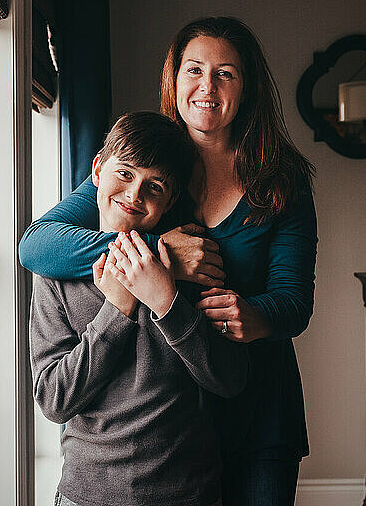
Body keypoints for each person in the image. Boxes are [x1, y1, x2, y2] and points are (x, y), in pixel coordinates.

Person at [20, 17, 317, 506]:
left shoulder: (280, 180)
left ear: (247, 89)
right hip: (169, 421)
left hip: (255, 404)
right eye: (194, 69)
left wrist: (256, 315)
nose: (207, 86)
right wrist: (157, 259)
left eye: (226, 74)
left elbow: (294, 300)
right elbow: (37, 245)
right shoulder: (146, 165)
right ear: (173, 79)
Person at [30, 111, 249, 506]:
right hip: (89, 493)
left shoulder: (193, 261)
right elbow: (53, 399)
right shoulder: (55, 273)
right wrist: (117, 309)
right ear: (97, 169)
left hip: (188, 493)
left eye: (155, 186)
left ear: (171, 200)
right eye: (125, 174)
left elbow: (228, 379)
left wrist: (166, 301)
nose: (134, 195)